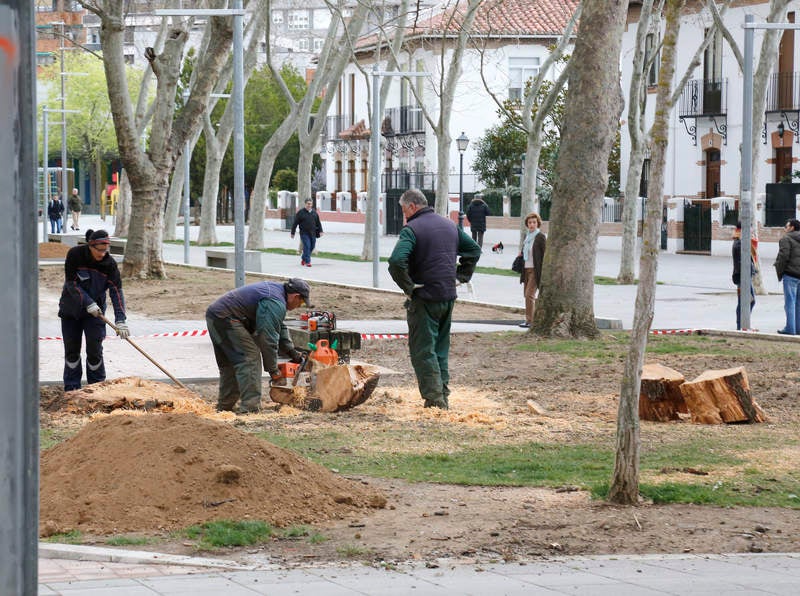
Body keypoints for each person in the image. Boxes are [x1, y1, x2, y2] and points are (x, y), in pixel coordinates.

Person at [388, 188, 481, 409]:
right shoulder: (450, 225)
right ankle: (443, 395)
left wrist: (409, 287)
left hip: (425, 298)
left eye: (403, 210)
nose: (404, 215)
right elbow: (474, 250)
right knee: (440, 348)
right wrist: (461, 276)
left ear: (412, 206)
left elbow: (396, 260)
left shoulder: (411, 229)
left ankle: (435, 401)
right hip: (448, 296)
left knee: (423, 350)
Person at [205, 278, 310, 413]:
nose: (299, 305)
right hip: (228, 318)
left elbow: (278, 326)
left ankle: (225, 408)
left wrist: (291, 352)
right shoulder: (275, 302)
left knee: (231, 364)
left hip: (215, 316)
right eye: (301, 302)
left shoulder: (276, 294)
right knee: (249, 358)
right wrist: (274, 371)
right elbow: (267, 338)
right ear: (295, 296)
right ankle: (250, 409)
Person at [58, 229, 129, 391]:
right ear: (91, 245)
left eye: (106, 250)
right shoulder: (75, 255)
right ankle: (72, 389)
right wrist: (88, 302)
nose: (103, 254)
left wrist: (121, 320)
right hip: (71, 311)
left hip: (96, 314)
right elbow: (71, 283)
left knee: (95, 350)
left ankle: (97, 389)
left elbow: (116, 291)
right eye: (100, 250)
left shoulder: (109, 264)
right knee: (72, 350)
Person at [517, 212, 547, 328]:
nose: (532, 224)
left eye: (534, 222)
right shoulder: (527, 237)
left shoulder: (540, 236)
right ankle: (529, 319)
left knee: (529, 295)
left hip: (535, 270)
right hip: (526, 269)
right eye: (530, 222)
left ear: (538, 223)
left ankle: (531, 321)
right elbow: (526, 251)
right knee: (526, 295)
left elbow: (544, 253)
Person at [774, 219, 800, 335]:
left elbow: (783, 257)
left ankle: (790, 329)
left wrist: (780, 272)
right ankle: (797, 328)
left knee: (790, 302)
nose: (785, 228)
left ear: (792, 228)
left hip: (790, 275)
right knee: (798, 303)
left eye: (786, 226)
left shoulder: (786, 239)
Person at [731, 221, 755, 330]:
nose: (752, 231)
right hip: (742, 276)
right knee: (746, 301)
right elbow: (742, 261)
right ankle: (741, 325)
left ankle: (743, 324)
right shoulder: (740, 243)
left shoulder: (742, 241)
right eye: (750, 229)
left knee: (748, 301)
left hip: (745, 275)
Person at [290, 199, 323, 267]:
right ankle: (308, 262)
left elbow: (318, 223)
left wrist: (321, 231)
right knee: (307, 246)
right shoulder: (300, 213)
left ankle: (304, 258)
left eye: (310, 204)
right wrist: (292, 232)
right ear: (305, 204)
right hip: (304, 233)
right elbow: (295, 223)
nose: (309, 205)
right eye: (308, 204)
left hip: (313, 233)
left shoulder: (314, 212)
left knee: (312, 246)